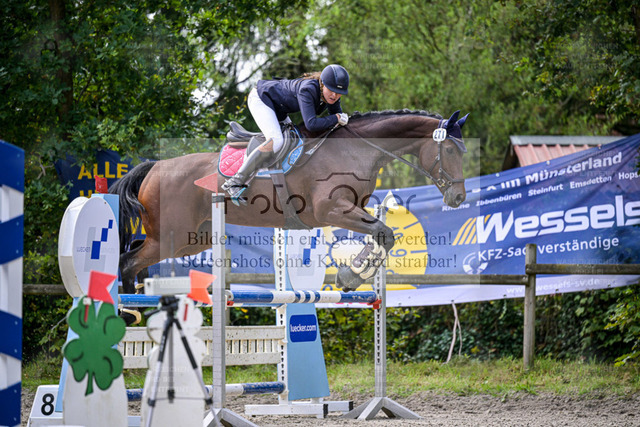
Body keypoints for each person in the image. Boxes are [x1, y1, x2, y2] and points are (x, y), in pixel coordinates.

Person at [222, 64, 350, 200]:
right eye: (331, 90)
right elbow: (311, 124)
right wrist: (337, 118)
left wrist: (342, 120)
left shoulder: (332, 95)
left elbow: (337, 118)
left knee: (294, 139)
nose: (334, 95)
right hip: (261, 98)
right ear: (323, 84)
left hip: (279, 108)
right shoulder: (308, 89)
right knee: (276, 141)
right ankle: (235, 181)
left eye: (338, 92)